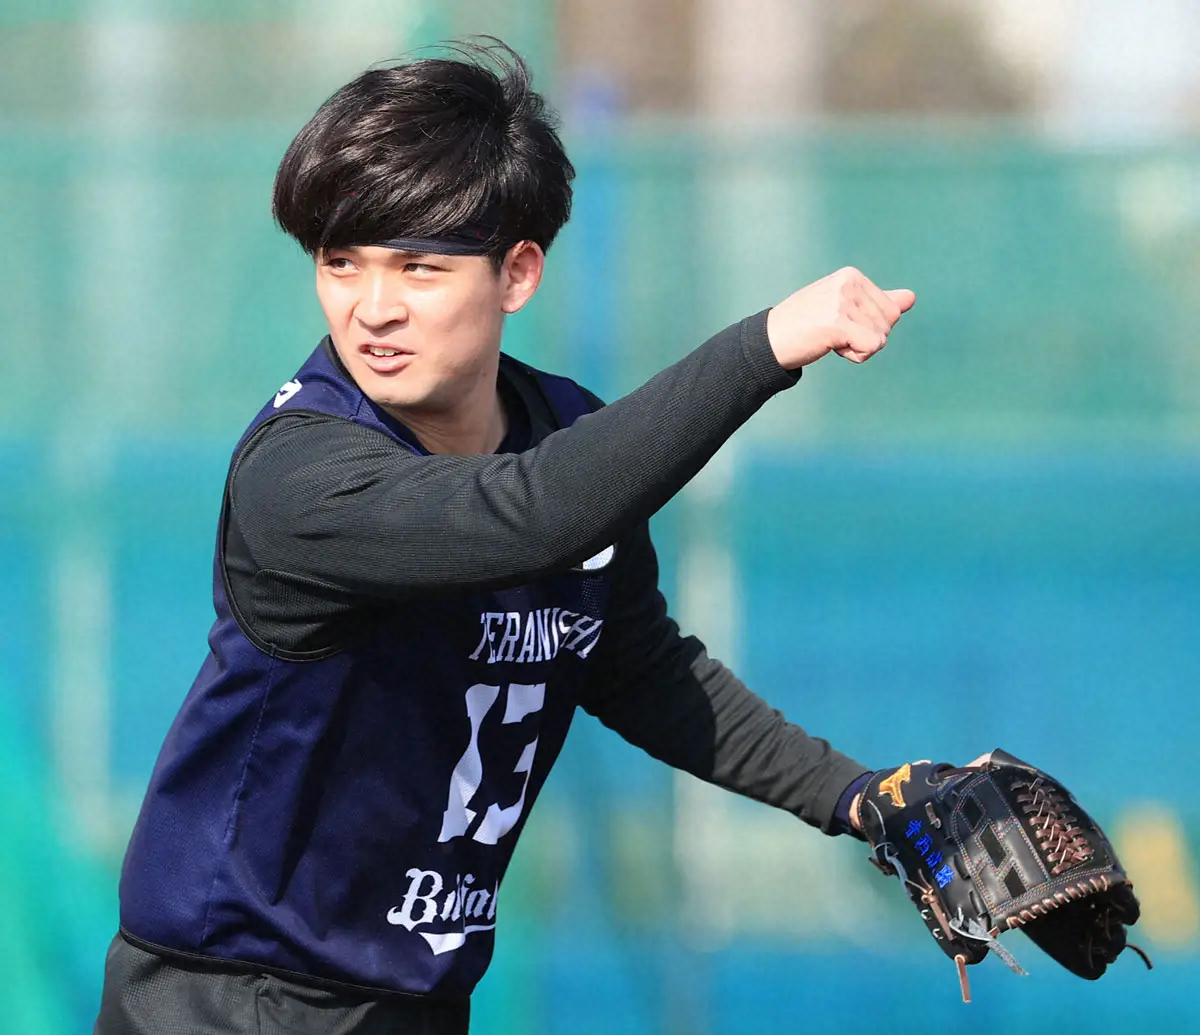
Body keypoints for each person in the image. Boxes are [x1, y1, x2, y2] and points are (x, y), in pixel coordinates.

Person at [95, 40, 915, 1035]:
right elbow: (530, 517)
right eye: (340, 261)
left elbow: (637, 666)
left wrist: (861, 797)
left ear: (517, 273)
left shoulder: (564, 432)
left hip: (415, 999)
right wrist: (769, 342)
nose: (373, 308)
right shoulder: (300, 471)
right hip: (234, 998)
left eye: (419, 266)